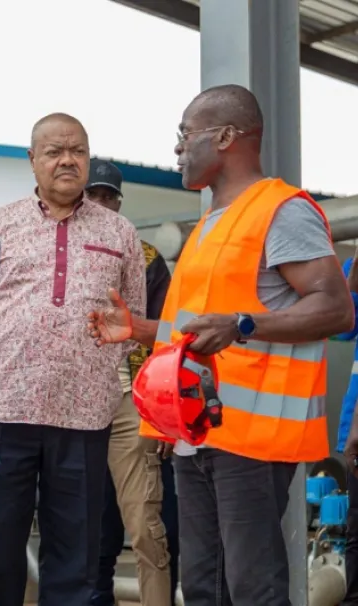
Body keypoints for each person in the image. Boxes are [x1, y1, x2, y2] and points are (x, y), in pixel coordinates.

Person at [89, 84, 354, 606]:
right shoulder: (212, 221)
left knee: (253, 587)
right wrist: (141, 329)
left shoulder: (280, 211)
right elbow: (199, 332)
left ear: (227, 136)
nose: (178, 148)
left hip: (251, 440)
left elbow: (335, 308)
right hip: (196, 432)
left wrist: (243, 324)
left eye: (186, 134)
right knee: (204, 587)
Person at [0, 114, 146, 606]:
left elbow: (132, 321)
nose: (68, 161)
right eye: (54, 152)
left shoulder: (121, 232)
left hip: (85, 413)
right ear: (32, 160)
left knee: (76, 555)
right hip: (5, 408)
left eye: (78, 151)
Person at [84, 159, 178, 606]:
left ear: (119, 203)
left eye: (109, 196)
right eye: (93, 195)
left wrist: (163, 415)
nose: (101, 204)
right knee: (88, 528)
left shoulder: (147, 257)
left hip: (132, 404)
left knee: (146, 525)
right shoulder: (56, 253)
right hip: (74, 405)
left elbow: (171, 336)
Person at [334, 245, 358, 605]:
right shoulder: (353, 266)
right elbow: (341, 330)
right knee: (355, 531)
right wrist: (352, 283)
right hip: (355, 423)